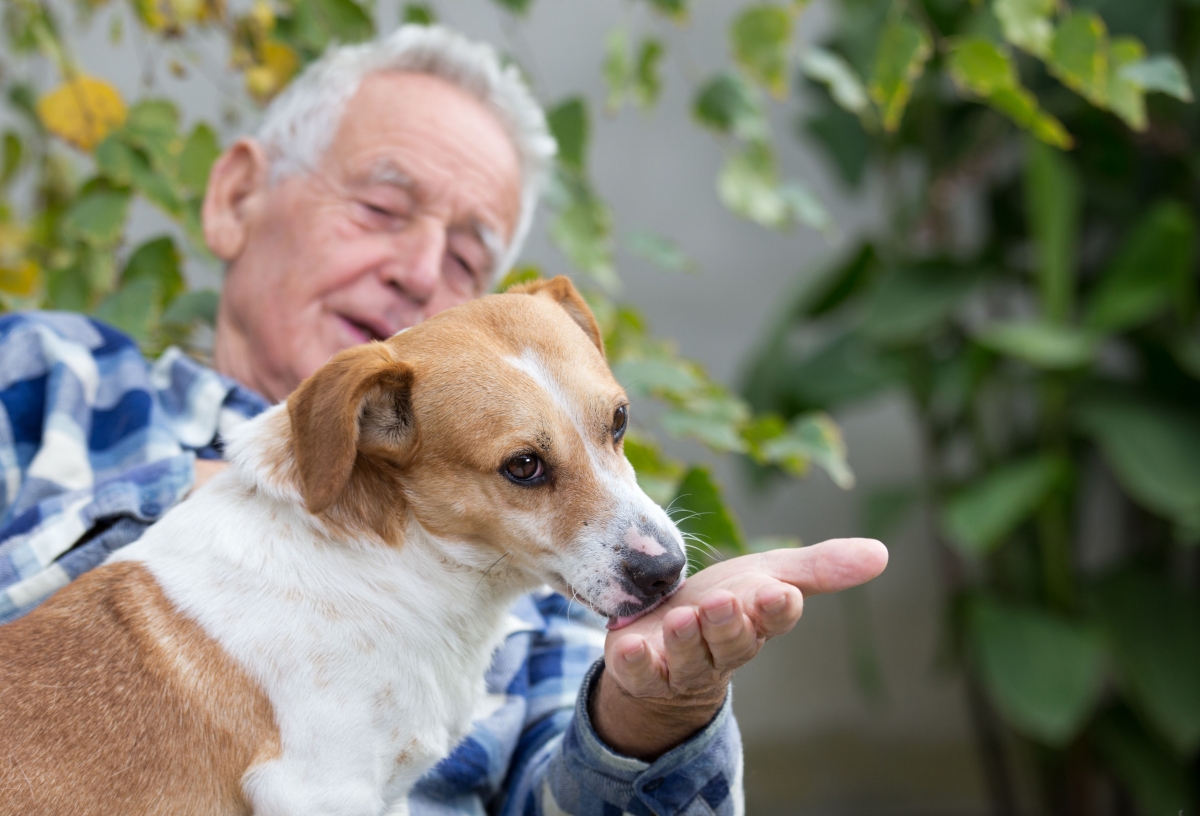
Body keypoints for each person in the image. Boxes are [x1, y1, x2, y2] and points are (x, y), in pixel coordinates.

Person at [0, 25, 887, 815]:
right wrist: (176, 498)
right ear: (236, 196)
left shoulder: (555, 599)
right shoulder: (41, 381)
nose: (420, 272)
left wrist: (657, 711)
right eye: (382, 208)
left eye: (469, 256)